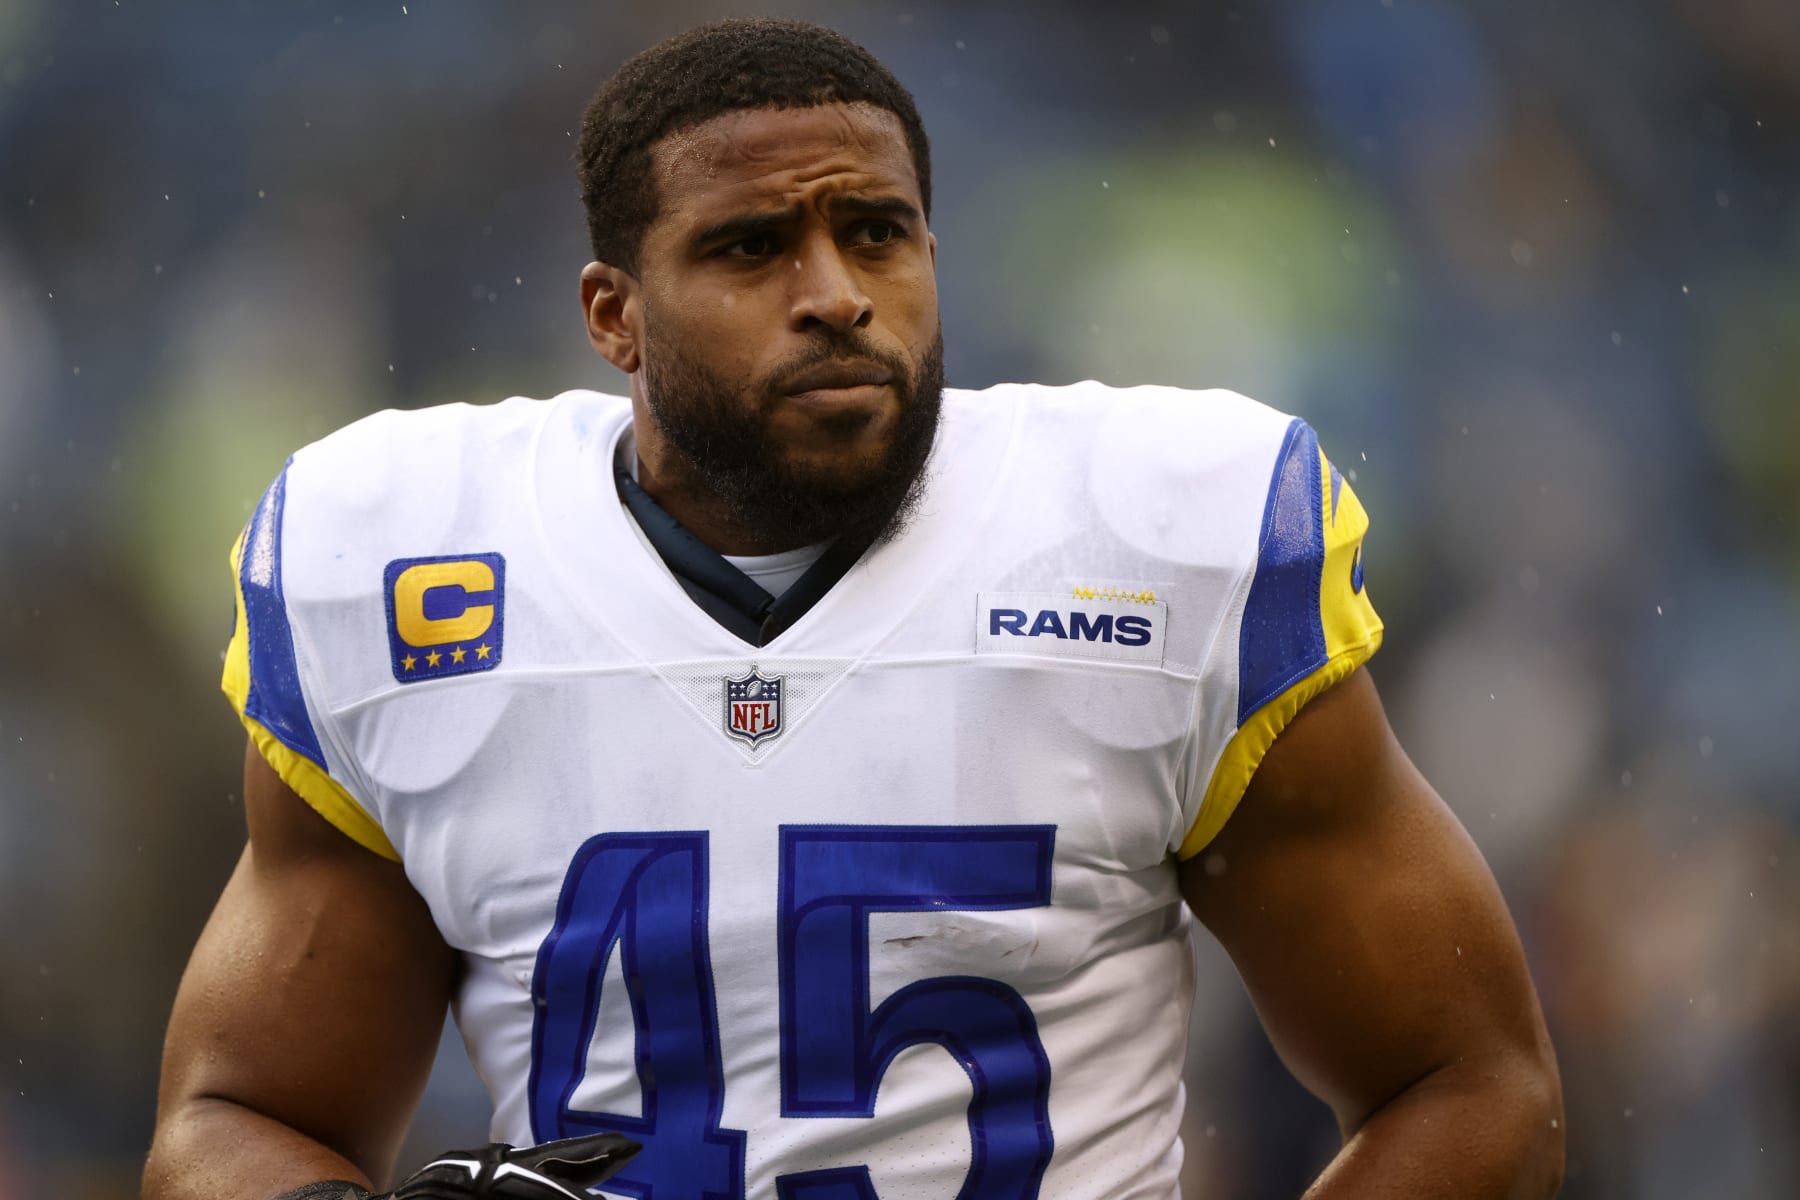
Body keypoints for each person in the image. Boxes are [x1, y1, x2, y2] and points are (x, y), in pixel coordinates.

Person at [142, 18, 1563, 1200]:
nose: (835, 295)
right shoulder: (405, 565)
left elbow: (1472, 1084)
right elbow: (233, 1119)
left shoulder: (1153, 538)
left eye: (876, 233)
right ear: (613, 315)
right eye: (752, 247)